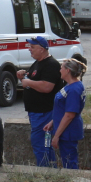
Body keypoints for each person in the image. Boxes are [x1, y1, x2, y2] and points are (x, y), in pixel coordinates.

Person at [16, 36, 62, 167]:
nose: (29, 49)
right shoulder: (37, 63)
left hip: (44, 113)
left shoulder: (51, 64)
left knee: (41, 143)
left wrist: (28, 82)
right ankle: (48, 167)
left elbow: (47, 87)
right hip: (36, 113)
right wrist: (23, 77)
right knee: (42, 143)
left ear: (42, 49)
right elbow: (32, 83)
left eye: (32, 47)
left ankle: (46, 169)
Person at [43, 58, 87, 169]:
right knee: (66, 159)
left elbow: (69, 115)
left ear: (68, 70)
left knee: (69, 161)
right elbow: (63, 109)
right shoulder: (70, 86)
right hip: (65, 130)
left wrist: (56, 136)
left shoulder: (73, 90)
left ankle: (72, 178)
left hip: (68, 132)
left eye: (61, 68)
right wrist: (53, 122)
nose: (60, 70)